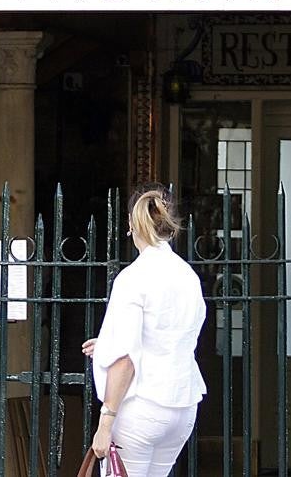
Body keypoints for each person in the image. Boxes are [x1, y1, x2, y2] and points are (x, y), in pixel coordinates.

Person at [81, 185, 206, 477]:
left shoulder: (133, 278)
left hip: (142, 407)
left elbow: (125, 358)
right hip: (182, 404)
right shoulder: (188, 276)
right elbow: (171, 334)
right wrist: (109, 343)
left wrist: (105, 423)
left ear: (131, 222)